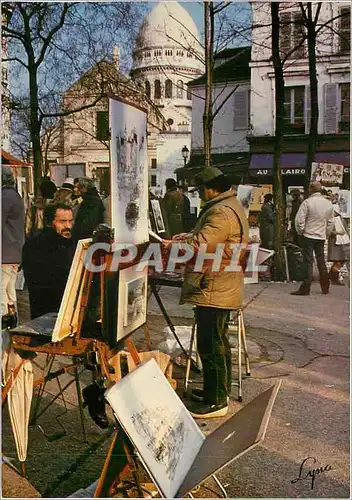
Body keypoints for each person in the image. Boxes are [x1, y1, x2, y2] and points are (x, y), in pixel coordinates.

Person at [163, 167, 249, 419]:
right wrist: (188, 235)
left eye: (200, 190)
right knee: (217, 342)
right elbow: (211, 239)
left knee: (210, 345)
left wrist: (173, 244)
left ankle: (216, 401)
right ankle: (215, 390)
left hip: (214, 285)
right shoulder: (228, 204)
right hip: (220, 282)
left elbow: (200, 246)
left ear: (210, 188)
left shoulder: (221, 211)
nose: (199, 195)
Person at [22, 203, 75, 319]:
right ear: (49, 222)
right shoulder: (36, 245)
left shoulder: (71, 243)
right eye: (62, 221)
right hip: (47, 313)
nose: (68, 226)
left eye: (71, 221)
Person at [291, 182, 334, 296]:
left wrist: (301, 232)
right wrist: (326, 233)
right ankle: (325, 287)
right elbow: (330, 222)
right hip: (321, 236)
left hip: (308, 235)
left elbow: (299, 220)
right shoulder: (328, 204)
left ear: (311, 190)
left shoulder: (307, 202)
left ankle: (305, 288)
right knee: (321, 261)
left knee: (308, 262)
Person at [2, 167, 25, 328]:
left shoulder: (5, 197)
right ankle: (12, 327)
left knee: (2, 293)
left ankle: (3, 329)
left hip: (4, 253)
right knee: (10, 295)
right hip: (13, 252)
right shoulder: (15, 196)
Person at [72, 177, 105, 242]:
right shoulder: (87, 199)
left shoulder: (91, 201)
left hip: (86, 238)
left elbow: (88, 223)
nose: (75, 190)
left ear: (84, 188)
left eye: (78, 187)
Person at [327, 206, 350, 285]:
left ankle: (331, 275)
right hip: (335, 241)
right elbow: (328, 230)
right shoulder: (330, 219)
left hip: (343, 240)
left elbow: (346, 229)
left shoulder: (341, 219)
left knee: (342, 259)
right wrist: (337, 233)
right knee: (338, 259)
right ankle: (333, 277)